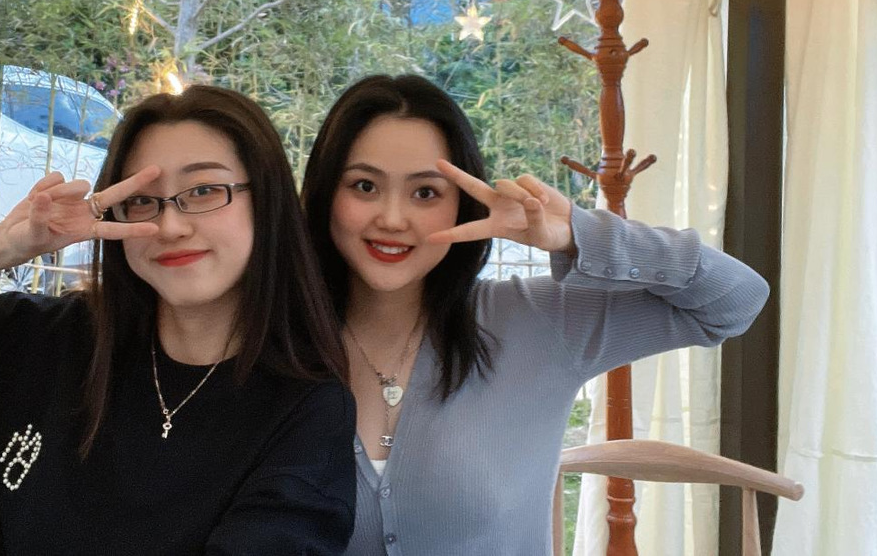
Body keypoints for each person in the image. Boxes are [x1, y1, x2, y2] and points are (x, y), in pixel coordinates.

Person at [0, 86, 356, 555]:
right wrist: (3, 244)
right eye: (142, 200)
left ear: (267, 204)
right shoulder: (30, 344)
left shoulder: (304, 408)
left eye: (205, 191)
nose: (169, 227)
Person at [300, 74, 770, 556]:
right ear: (326, 194)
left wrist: (578, 234)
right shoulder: (279, 342)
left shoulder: (533, 322)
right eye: (364, 186)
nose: (392, 219)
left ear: (461, 206)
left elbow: (735, 299)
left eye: (425, 193)